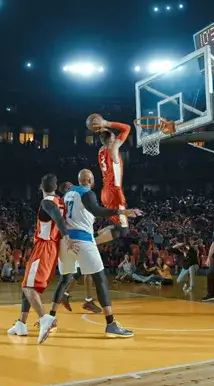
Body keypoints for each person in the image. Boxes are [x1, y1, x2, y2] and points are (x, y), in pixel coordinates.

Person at [47, 169, 141, 338]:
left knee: (65, 279)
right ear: (90, 180)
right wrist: (121, 212)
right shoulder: (87, 193)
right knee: (100, 279)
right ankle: (111, 324)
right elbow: (96, 210)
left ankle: (50, 320)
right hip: (82, 240)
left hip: (65, 241)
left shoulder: (67, 195)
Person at [7, 173, 72, 343]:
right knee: (27, 286)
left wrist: (65, 235)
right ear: (56, 187)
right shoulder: (61, 201)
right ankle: (21, 323)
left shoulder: (47, 202)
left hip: (45, 246)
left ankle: (45, 319)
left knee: (29, 287)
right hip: (51, 247)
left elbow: (57, 217)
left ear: (41, 188)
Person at [55, 181, 103, 314]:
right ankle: (87, 301)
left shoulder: (65, 201)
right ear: (67, 189)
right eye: (70, 185)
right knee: (90, 272)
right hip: (76, 238)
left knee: (77, 274)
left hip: (70, 238)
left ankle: (66, 297)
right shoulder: (74, 198)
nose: (73, 186)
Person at [88, 114, 132, 245]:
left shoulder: (101, 150)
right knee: (123, 231)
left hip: (105, 192)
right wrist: (106, 123)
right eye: (113, 135)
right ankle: (91, 243)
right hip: (114, 193)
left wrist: (100, 128)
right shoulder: (113, 148)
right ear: (112, 139)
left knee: (117, 227)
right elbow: (127, 128)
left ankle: (93, 236)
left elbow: (105, 137)